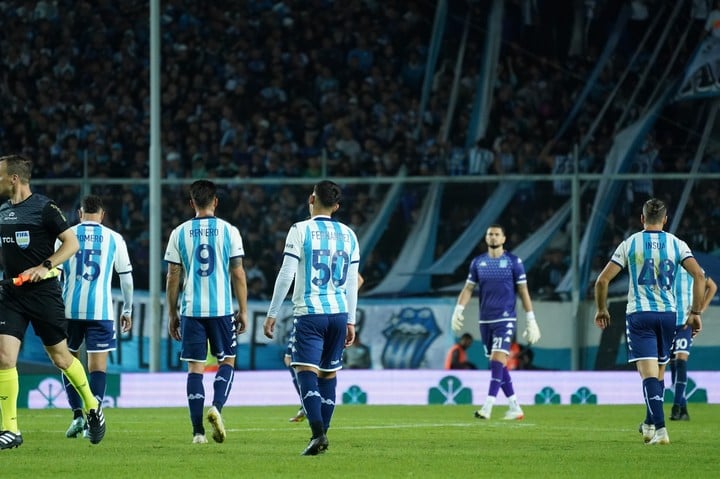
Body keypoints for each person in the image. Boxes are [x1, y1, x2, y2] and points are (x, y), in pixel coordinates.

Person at [0, 154, 106, 449]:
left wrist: (44, 266)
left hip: (44, 294)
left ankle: (93, 407)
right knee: (4, 357)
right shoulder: (2, 212)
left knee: (60, 358)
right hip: (11, 295)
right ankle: (10, 430)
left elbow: (72, 243)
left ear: (14, 179)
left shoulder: (44, 208)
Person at [594, 198, 704, 446]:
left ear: (642, 219)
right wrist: (695, 312)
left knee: (648, 377)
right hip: (669, 316)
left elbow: (602, 281)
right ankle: (649, 423)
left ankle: (661, 430)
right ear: (665, 220)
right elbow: (699, 275)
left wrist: (601, 309)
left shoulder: (631, 243)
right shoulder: (677, 243)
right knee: (659, 372)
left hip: (640, 315)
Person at [263, 180, 360, 456]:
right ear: (337, 206)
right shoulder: (349, 235)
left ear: (311, 198)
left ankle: (318, 434)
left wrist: (272, 313)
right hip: (339, 313)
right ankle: (322, 436)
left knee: (304, 371)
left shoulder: (300, 230)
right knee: (328, 376)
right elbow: (352, 282)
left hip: (310, 313)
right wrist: (351, 320)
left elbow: (286, 274)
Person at [164, 180, 248, 444]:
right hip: (221, 309)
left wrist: (172, 313)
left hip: (191, 310)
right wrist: (243, 310)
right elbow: (238, 272)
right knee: (227, 362)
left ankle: (198, 432)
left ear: (192, 203)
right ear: (216, 202)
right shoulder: (229, 231)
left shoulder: (179, 232)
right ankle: (217, 407)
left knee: (195, 369)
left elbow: (172, 275)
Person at [58, 195, 134, 439]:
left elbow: (55, 274)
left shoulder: (66, 235)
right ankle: (95, 415)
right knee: (97, 367)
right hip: (101, 312)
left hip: (69, 311)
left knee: (67, 363)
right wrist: (127, 309)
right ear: (102, 215)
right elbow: (126, 278)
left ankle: (78, 415)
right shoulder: (114, 238)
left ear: (80, 213)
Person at [451, 224, 541, 420]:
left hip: (505, 318)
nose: (493, 237)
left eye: (496, 234)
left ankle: (488, 406)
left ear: (503, 239)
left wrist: (531, 319)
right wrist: (458, 309)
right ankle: (515, 406)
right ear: (486, 238)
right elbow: (468, 289)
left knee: (496, 360)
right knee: (498, 365)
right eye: (489, 234)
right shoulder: (477, 263)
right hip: (485, 320)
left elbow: (523, 291)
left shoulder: (513, 262)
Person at [288, 273, 365, 422]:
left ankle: (309, 403)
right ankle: (312, 407)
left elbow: (358, 280)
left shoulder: (312, 251)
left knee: (301, 364)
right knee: (325, 369)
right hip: (336, 313)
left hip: (311, 313)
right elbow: (358, 280)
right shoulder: (340, 252)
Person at [668, 267, 716, 421]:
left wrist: (699, 310)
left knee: (681, 360)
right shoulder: (666, 267)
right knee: (674, 364)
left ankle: (676, 407)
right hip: (669, 322)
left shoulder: (693, 269)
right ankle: (683, 408)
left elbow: (712, 286)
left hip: (686, 322)